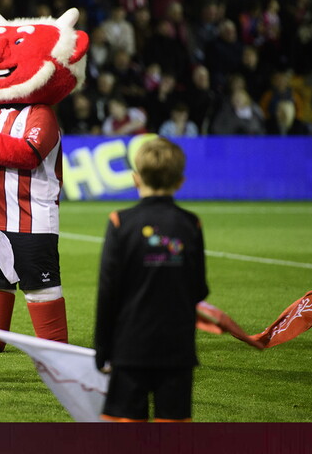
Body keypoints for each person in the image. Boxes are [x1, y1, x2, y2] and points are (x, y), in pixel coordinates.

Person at [94, 136, 209, 422]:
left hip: (130, 347)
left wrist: (102, 348)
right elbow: (198, 288)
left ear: (135, 179)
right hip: (177, 349)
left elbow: (109, 291)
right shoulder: (191, 223)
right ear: (180, 182)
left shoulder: (120, 222)